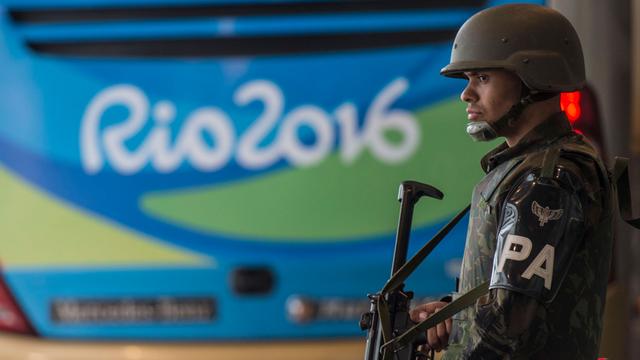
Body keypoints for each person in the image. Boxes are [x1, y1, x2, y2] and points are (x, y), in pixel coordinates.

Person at [410, 4, 614, 359]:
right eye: (468, 79)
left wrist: (464, 328)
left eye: (482, 78)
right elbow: (516, 294)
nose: (466, 94)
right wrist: (451, 313)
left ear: (533, 79)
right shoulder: (525, 167)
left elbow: (506, 328)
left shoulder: (546, 182)